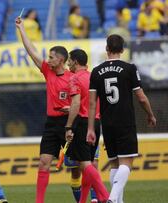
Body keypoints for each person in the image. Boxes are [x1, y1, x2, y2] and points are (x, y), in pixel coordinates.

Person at [87, 34, 156, 203]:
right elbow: (141, 97)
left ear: (107, 49)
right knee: (127, 162)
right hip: (125, 120)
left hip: (107, 122)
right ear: (123, 50)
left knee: (114, 164)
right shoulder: (129, 68)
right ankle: (112, 198)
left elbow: (91, 103)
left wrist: (90, 128)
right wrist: (150, 114)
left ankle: (118, 201)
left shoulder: (96, 72)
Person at [16, 16, 73, 203]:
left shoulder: (72, 78)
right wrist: (21, 28)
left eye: (51, 57)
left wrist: (71, 109)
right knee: (43, 163)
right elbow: (31, 50)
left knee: (81, 165)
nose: (47, 59)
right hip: (51, 124)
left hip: (69, 124)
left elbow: (83, 101)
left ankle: (100, 197)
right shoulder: (47, 71)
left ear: (61, 60)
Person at [64, 49, 109, 203]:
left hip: (82, 123)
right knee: (86, 165)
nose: (67, 63)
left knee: (85, 165)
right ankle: (83, 200)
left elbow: (76, 103)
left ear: (75, 62)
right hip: (96, 123)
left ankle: (107, 198)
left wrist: (69, 127)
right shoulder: (93, 77)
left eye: (69, 60)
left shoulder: (74, 78)